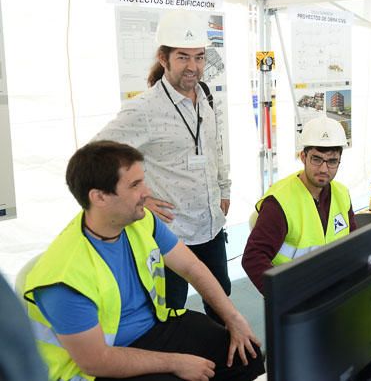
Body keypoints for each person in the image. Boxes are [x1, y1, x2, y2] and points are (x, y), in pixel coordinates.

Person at [23, 141, 264, 381]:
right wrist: (177, 362)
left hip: (155, 327)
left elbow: (191, 267)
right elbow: (96, 361)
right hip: (98, 367)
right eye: (135, 185)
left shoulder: (141, 221)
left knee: (246, 354)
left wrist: (234, 319)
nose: (147, 192)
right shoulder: (63, 280)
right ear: (99, 197)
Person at [93, 10, 231, 321]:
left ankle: (227, 366)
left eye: (199, 57)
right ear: (163, 57)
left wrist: (224, 187)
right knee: (170, 313)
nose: (193, 67)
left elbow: (214, 147)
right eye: (183, 57)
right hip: (170, 233)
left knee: (221, 302)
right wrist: (137, 200)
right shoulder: (143, 109)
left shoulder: (206, 95)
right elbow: (94, 155)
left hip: (210, 226)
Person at [242, 116, 358, 294]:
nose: (324, 169)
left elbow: (354, 243)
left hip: (331, 290)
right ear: (303, 157)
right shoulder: (280, 203)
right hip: (295, 296)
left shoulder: (342, 194)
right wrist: (285, 296)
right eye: (316, 159)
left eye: (332, 161)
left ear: (340, 160)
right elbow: (253, 258)